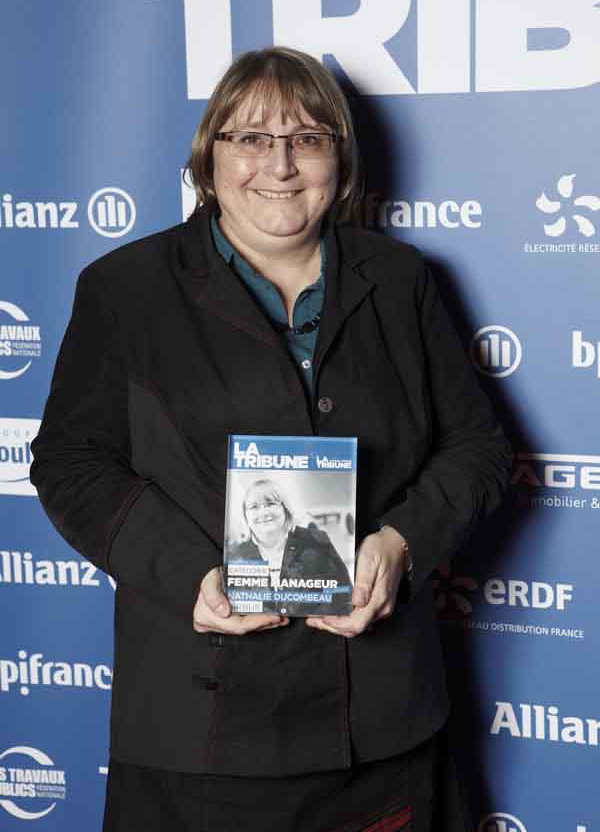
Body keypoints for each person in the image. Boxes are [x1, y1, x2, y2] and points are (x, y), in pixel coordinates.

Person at [30, 46, 512, 831]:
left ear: (340, 160)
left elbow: (477, 450)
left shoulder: (401, 279)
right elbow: (70, 462)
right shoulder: (124, 289)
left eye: (308, 138)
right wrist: (189, 575)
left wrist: (401, 543)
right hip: (200, 728)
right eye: (250, 138)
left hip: (382, 716)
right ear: (208, 157)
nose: (279, 166)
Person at [227, 477, 353, 615]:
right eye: (254, 507)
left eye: (270, 503)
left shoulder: (316, 540)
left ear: (285, 508)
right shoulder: (235, 556)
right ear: (245, 516)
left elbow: (344, 597)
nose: (264, 512)